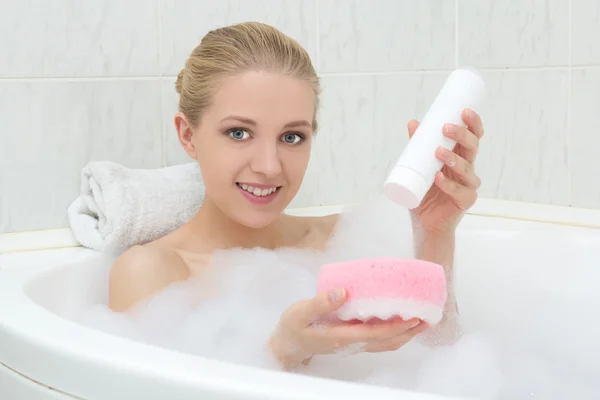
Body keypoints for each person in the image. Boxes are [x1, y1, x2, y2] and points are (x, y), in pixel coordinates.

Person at [108, 22, 484, 370]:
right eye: (239, 133)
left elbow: (438, 366)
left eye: (292, 137)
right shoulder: (153, 274)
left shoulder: (342, 241)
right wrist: (281, 351)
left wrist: (435, 233)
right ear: (188, 135)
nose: (270, 166)